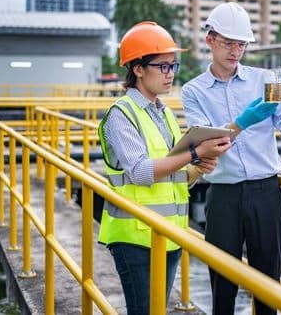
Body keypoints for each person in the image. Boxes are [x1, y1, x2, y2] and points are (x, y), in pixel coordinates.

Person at [181, 2, 281, 315]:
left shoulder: (267, 78)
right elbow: (206, 145)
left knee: (268, 279)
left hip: (266, 191)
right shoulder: (193, 91)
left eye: (241, 44)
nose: (235, 51)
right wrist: (244, 121)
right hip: (224, 193)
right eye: (228, 43)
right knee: (222, 279)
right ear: (210, 40)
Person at [97, 21, 231, 315]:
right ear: (138, 69)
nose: (170, 74)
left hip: (167, 235)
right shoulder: (121, 114)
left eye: (173, 66)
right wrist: (195, 152)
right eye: (163, 66)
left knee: (157, 309)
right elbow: (142, 172)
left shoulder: (164, 112)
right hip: (135, 237)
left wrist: (201, 166)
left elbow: (173, 174)